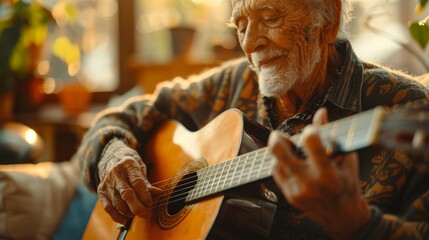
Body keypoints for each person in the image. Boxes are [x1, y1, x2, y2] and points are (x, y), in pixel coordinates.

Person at [76, 0, 429, 239]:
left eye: (271, 16)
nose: (250, 43)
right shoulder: (231, 83)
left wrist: (356, 222)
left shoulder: (404, 105)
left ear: (329, 18)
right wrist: (113, 157)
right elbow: (120, 117)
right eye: (240, 24)